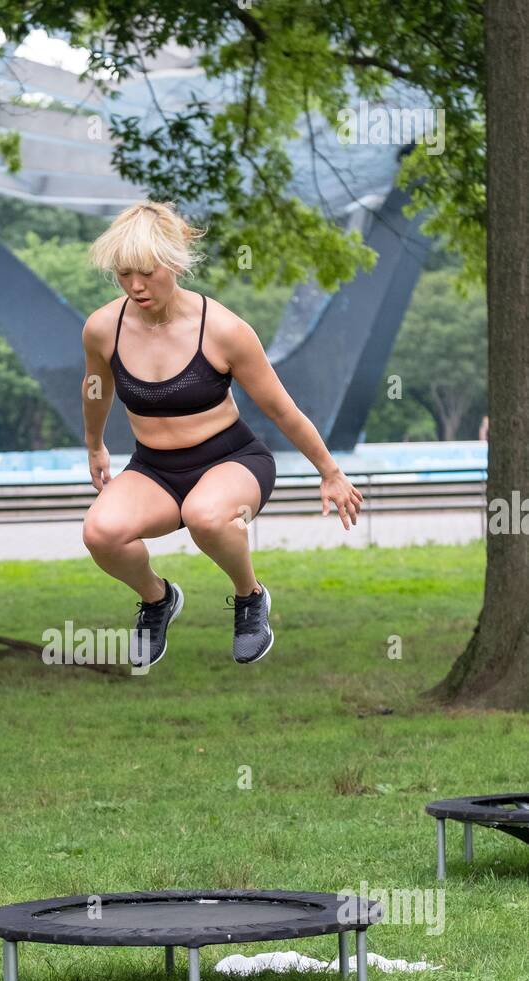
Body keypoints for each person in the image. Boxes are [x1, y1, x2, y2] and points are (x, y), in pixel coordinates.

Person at [80, 201, 364, 666]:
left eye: (147, 272)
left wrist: (330, 471)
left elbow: (282, 409)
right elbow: (96, 388)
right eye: (124, 274)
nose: (135, 286)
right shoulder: (102, 329)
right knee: (101, 533)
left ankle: (250, 597)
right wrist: (95, 445)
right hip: (154, 468)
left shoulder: (224, 331)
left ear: (173, 262)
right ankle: (158, 601)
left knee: (206, 516)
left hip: (231, 460)